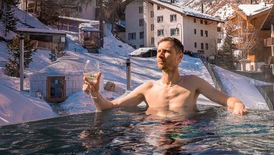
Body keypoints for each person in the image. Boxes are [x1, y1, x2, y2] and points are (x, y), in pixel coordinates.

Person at [83, 37, 247, 117]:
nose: (160, 55)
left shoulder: (193, 83)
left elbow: (226, 100)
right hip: (155, 135)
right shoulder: (147, 88)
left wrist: (238, 104)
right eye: (158, 51)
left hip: (186, 136)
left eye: (166, 51)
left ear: (179, 57)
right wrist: (95, 94)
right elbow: (109, 107)